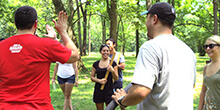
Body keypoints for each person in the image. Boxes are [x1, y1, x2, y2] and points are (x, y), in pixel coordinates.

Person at [111, 2, 196, 110]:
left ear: (154, 19)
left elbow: (140, 91)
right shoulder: (188, 51)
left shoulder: (150, 47)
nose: (146, 23)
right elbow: (191, 86)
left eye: (147, 18)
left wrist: (122, 100)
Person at [0, 6, 79, 110]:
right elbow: (74, 56)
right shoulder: (46, 45)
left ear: (15, 24)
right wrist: (63, 32)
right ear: (35, 24)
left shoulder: (2, 46)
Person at [90, 44, 118, 110]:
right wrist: (99, 81)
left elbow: (116, 78)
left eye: (107, 51)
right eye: (104, 51)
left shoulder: (113, 64)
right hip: (98, 90)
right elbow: (92, 77)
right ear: (100, 52)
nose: (106, 52)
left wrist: (112, 71)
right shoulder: (96, 64)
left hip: (109, 90)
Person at [52, 42, 79, 110]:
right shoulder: (58, 55)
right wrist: (53, 77)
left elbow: (75, 67)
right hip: (60, 77)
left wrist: (77, 79)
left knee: (67, 96)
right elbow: (56, 66)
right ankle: (71, 109)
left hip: (70, 76)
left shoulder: (72, 55)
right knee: (66, 96)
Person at [198, 35, 220, 110]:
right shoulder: (206, 67)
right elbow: (203, 91)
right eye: (206, 46)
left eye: (211, 46)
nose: (208, 49)